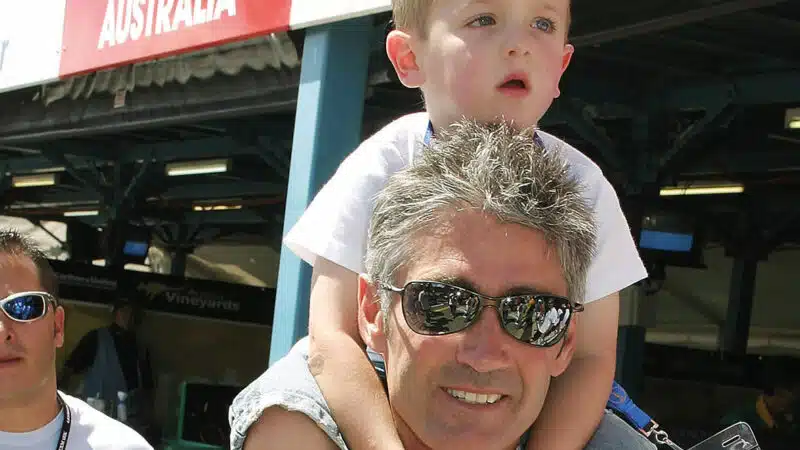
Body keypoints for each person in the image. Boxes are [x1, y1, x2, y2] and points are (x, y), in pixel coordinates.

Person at [281, 0, 647, 449]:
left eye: (543, 24)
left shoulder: (585, 186)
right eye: (484, 20)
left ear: (562, 67)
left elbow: (590, 358)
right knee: (285, 392)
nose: (519, 46)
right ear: (409, 58)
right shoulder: (381, 165)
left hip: (530, 405)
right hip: (385, 393)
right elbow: (331, 335)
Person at [230, 120, 654, 450]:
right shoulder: (293, 424)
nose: (484, 355)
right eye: (442, 304)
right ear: (373, 312)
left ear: (565, 343)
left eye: (533, 315)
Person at [0, 229, 152, 449]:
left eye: (23, 307)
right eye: (124, 310)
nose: (2, 331)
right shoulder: (97, 340)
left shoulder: (121, 446)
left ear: (58, 326)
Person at [59, 298, 156, 440]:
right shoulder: (96, 339)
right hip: (96, 423)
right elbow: (69, 370)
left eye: (134, 312)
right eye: (126, 311)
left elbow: (148, 391)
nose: (130, 316)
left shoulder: (140, 347)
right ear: (116, 313)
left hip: (130, 426)